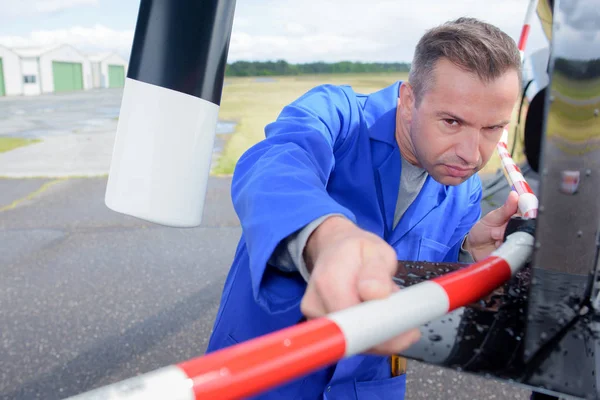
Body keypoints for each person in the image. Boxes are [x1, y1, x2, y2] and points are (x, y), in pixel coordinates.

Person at [206, 17, 522, 399]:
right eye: (452, 121)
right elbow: (274, 166)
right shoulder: (337, 117)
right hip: (264, 378)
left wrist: (468, 251)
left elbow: (424, 285)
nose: (472, 154)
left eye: (492, 129)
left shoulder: (465, 189)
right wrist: (328, 237)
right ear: (409, 101)